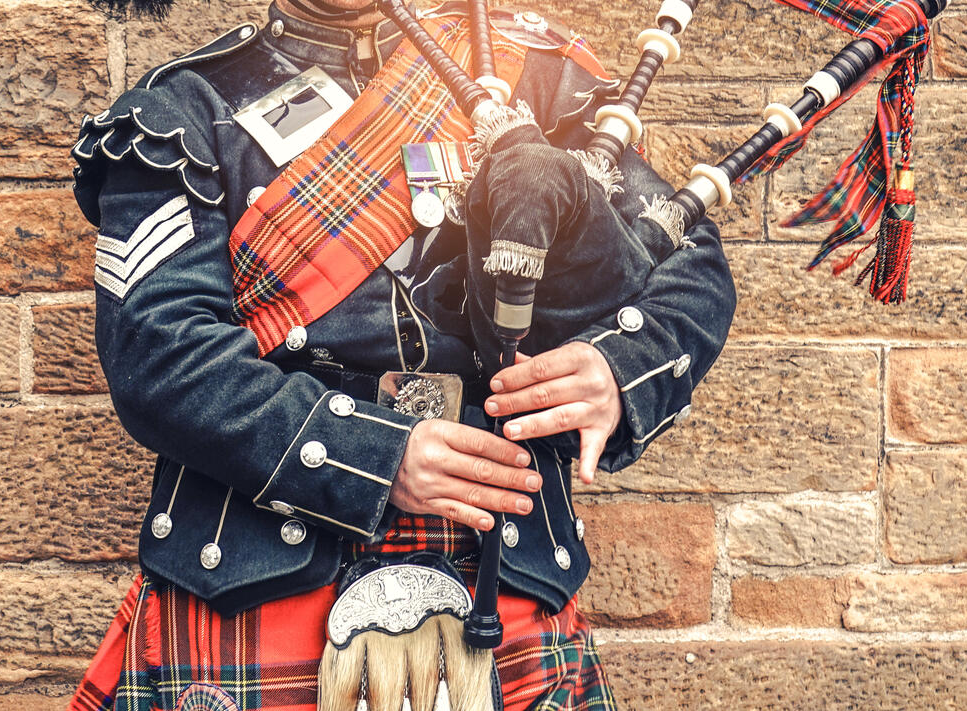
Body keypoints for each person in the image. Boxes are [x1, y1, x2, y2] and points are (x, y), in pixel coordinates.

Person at [67, 0, 736, 709]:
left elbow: (688, 268)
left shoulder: (540, 82)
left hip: (498, 569)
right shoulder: (184, 107)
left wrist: (614, 368)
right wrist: (376, 456)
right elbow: (160, 354)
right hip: (256, 579)